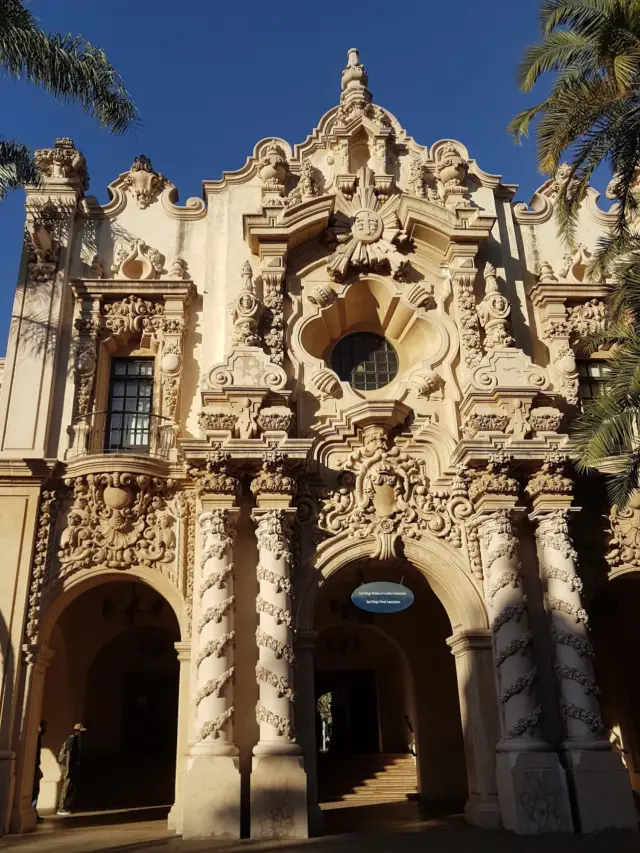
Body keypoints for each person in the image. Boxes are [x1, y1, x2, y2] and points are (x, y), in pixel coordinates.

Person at [56, 723, 87, 816]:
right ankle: (61, 807)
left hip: (70, 765)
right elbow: (68, 754)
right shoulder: (72, 739)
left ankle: (63, 805)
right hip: (67, 766)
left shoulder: (75, 739)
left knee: (69, 785)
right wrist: (68, 768)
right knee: (66, 785)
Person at [31, 720, 46, 822]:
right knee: (34, 790)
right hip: (32, 768)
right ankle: (32, 812)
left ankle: (33, 812)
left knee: (35, 790)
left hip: (35, 767)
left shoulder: (38, 738)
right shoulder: (34, 738)